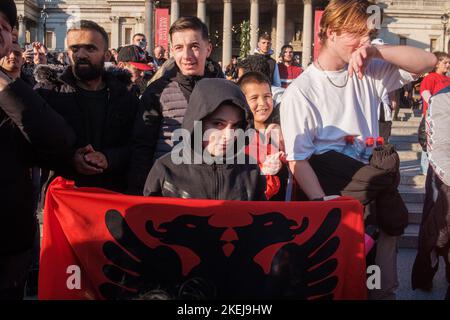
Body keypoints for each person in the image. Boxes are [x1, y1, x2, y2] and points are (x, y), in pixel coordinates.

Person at [280, 0, 436, 299]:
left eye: (369, 34)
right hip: (337, 199)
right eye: (356, 34)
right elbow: (298, 159)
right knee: (341, 288)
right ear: (329, 32)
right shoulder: (301, 91)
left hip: (377, 194)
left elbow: (427, 61)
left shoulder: (371, 68)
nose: (364, 41)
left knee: (382, 288)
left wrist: (377, 50)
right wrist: (326, 205)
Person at [0, 0, 76, 300]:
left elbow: (58, 141)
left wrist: (5, 86)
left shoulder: (16, 93)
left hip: (9, 243)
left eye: (4, 27)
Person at [34, 20, 139, 193]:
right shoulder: (47, 94)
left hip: (113, 196)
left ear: (106, 56)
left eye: (90, 48)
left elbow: (137, 146)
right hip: (65, 196)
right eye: (74, 49)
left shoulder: (125, 98)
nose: (81, 54)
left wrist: (109, 158)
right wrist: (70, 159)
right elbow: (33, 146)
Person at [128, 16, 221, 195]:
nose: (186, 56)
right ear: (172, 50)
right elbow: (142, 147)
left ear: (208, 49)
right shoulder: (156, 91)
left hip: (211, 190)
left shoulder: (224, 90)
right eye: (179, 48)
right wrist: (138, 195)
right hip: (167, 189)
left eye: (194, 46)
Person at [143, 78, 266, 200]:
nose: (228, 136)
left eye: (236, 126)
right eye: (218, 124)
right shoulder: (166, 169)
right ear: (197, 123)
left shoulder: (251, 171)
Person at [238, 71, 288, 201]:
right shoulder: (238, 136)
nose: (263, 103)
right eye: (254, 98)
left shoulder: (283, 129)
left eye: (267, 96)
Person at [419, 52, 450, 175]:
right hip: (433, 117)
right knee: (429, 144)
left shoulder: (448, 79)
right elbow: (425, 93)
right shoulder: (431, 77)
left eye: (449, 62)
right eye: (445, 62)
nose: (448, 65)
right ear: (436, 64)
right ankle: (427, 171)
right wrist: (436, 107)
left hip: (446, 118)